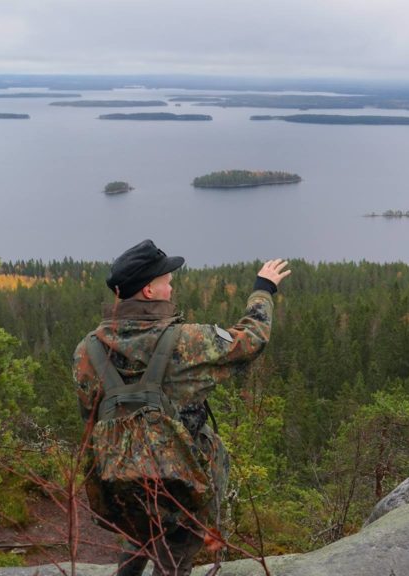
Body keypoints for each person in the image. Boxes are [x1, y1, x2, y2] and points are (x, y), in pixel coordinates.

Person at [73, 239, 290, 576]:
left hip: (120, 476)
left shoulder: (87, 349)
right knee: (176, 552)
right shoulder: (186, 340)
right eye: (167, 280)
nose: (172, 286)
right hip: (182, 481)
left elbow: (90, 418)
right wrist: (263, 290)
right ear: (149, 291)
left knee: (140, 527)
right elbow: (250, 340)